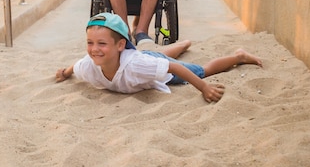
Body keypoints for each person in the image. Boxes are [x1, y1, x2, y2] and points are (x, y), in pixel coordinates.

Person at [55, 13, 263, 103]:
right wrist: (64, 73)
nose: (94, 50)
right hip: (144, 58)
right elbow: (77, 66)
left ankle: (239, 56)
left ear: (120, 45)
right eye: (90, 43)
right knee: (155, 58)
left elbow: (172, 68)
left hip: (142, 61)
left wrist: (204, 87)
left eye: (101, 44)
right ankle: (182, 45)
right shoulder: (90, 65)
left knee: (202, 70)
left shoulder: (136, 66)